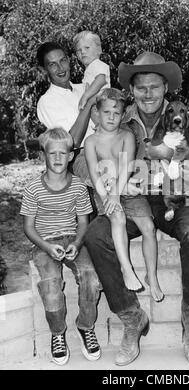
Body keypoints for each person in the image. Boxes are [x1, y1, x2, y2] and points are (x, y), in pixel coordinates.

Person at [84, 52, 189, 366]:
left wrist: (173, 161)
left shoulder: (187, 118)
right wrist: (112, 176)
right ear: (132, 89)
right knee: (96, 236)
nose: (148, 94)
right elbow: (82, 161)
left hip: (174, 200)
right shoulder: (116, 116)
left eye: (154, 87)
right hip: (131, 199)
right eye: (141, 87)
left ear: (165, 87)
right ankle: (132, 318)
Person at [20, 128, 101, 365]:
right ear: (43, 155)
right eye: (51, 153)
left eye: (62, 153)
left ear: (70, 156)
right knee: (51, 285)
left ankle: (85, 327)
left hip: (72, 239)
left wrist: (77, 243)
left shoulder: (78, 186)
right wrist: (46, 247)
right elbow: (28, 228)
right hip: (44, 243)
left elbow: (84, 222)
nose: (57, 158)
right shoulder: (33, 188)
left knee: (91, 277)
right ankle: (57, 333)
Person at [84, 87, 164, 301]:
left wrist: (117, 195)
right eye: (107, 112)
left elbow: (128, 166)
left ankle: (152, 276)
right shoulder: (91, 142)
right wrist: (107, 197)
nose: (111, 117)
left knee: (149, 227)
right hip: (105, 191)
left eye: (117, 113)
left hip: (125, 189)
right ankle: (127, 269)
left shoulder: (126, 136)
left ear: (122, 115)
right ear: (97, 113)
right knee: (117, 217)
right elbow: (93, 173)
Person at [36, 42, 96, 181]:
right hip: (81, 159)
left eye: (63, 60)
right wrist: (89, 103)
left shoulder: (84, 88)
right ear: (43, 70)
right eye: (52, 64)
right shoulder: (47, 101)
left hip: (108, 148)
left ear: (69, 61)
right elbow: (72, 142)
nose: (60, 68)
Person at [73, 30, 111, 110]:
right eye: (79, 50)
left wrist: (85, 96)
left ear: (99, 50)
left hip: (102, 106)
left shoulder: (97, 64)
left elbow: (100, 80)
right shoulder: (90, 69)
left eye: (87, 48)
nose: (83, 52)